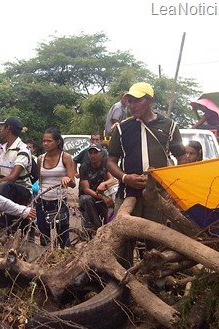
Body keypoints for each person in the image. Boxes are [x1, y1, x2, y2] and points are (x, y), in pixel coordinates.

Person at [107, 82, 187, 262]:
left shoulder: (169, 126)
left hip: (157, 196)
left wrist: (172, 188)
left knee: (156, 245)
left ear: (150, 101)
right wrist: (125, 178)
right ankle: (121, 283)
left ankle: (155, 285)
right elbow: (111, 161)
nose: (132, 105)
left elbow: (181, 158)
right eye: (130, 101)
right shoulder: (122, 128)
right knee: (122, 243)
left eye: (137, 101)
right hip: (128, 194)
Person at [35, 128, 76, 248]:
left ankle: (63, 262)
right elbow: (40, 180)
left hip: (59, 202)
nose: (45, 144)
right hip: (43, 201)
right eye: (44, 141)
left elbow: (72, 183)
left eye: (49, 141)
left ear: (58, 142)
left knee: (63, 237)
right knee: (44, 238)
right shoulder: (40, 159)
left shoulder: (66, 157)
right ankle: (46, 262)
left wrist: (67, 180)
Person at [0, 116, 33, 231]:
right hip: (6, 189)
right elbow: (0, 174)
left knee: (4, 185)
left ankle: (3, 217)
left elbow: (13, 177)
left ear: (8, 129)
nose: (0, 130)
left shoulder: (22, 149)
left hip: (22, 190)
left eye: (2, 127)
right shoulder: (3, 148)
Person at [78, 143, 115, 230]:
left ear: (101, 154)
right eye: (90, 153)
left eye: (95, 153)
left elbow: (112, 179)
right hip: (90, 195)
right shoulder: (84, 167)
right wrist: (103, 197)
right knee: (86, 199)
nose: (92, 155)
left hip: (104, 192)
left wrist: (104, 184)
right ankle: (97, 228)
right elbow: (86, 189)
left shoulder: (106, 163)